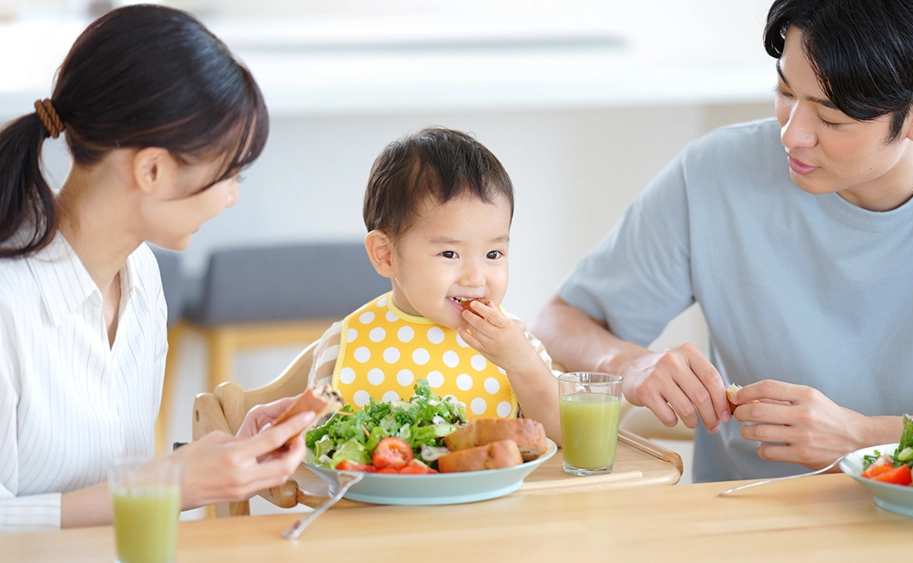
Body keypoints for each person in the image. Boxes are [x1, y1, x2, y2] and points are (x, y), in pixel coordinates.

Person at [532, 0, 913, 482]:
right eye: (785, 91)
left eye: (831, 118)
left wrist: (864, 437)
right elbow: (556, 322)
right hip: (742, 515)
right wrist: (629, 363)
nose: (792, 135)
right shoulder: (716, 173)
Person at [0, 5, 316, 533]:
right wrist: (174, 483)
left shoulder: (141, 276)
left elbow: (114, 490)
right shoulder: (9, 302)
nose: (232, 197)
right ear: (152, 170)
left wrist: (217, 465)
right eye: (230, 173)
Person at [307, 127, 561, 443]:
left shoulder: (516, 344)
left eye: (493, 254)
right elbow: (314, 451)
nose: (475, 278)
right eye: (449, 253)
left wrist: (522, 365)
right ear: (386, 255)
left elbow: (565, 435)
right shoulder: (342, 344)